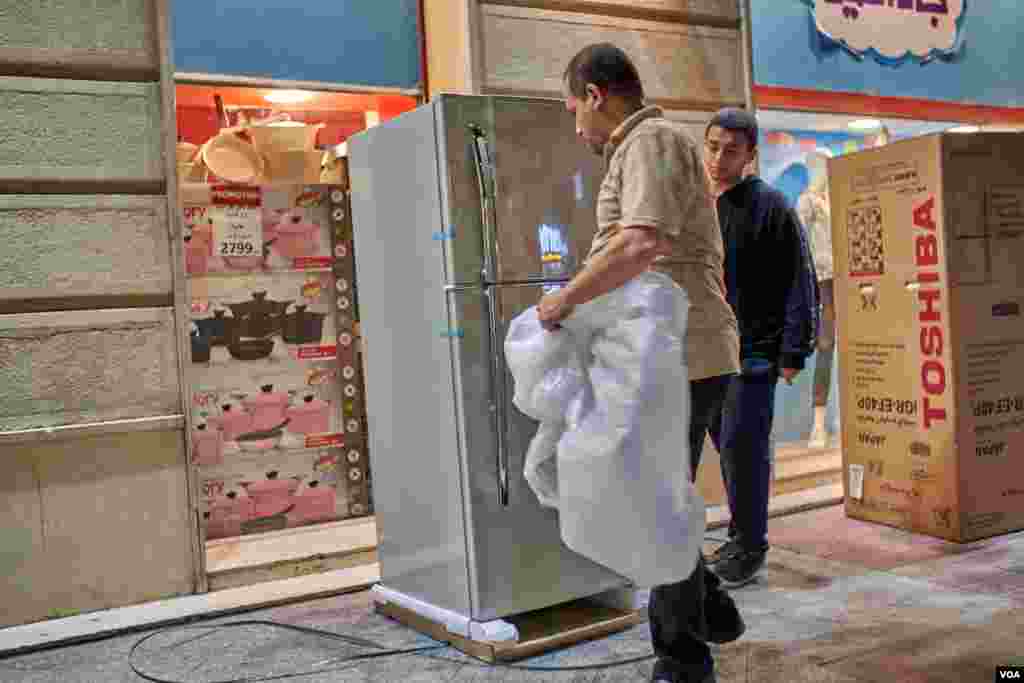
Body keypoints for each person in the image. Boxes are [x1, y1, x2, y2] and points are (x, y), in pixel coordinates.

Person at [537, 43, 744, 683]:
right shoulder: (639, 146)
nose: (577, 126)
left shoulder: (650, 141)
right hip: (667, 353)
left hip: (682, 354)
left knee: (654, 507)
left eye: (575, 108)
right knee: (655, 498)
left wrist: (563, 301)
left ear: (596, 95)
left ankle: (683, 663)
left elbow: (641, 242)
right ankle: (707, 604)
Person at [702, 109, 820, 587]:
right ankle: (737, 537)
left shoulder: (771, 206)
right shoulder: (697, 203)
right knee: (724, 449)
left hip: (753, 352)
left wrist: (794, 351)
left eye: (731, 150)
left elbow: (799, 279)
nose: (718, 158)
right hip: (705, 351)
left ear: (750, 154)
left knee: (744, 450)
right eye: (712, 146)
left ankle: (751, 546)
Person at [797, 149, 836, 449]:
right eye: (813, 168)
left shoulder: (839, 197)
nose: (818, 173)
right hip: (823, 281)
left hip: (847, 279)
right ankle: (818, 423)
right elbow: (798, 238)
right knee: (825, 345)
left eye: (820, 167)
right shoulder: (808, 201)